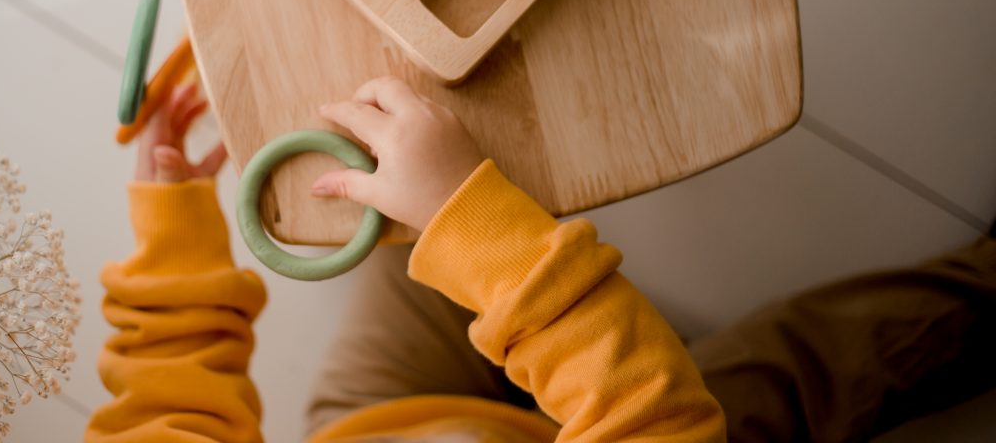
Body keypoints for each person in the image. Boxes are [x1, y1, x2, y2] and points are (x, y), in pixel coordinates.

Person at [85, 78, 996, 442]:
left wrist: (173, 246)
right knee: (794, 366)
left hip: (379, 426)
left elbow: (162, 424)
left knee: (373, 214)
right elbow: (652, 420)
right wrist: (479, 231)